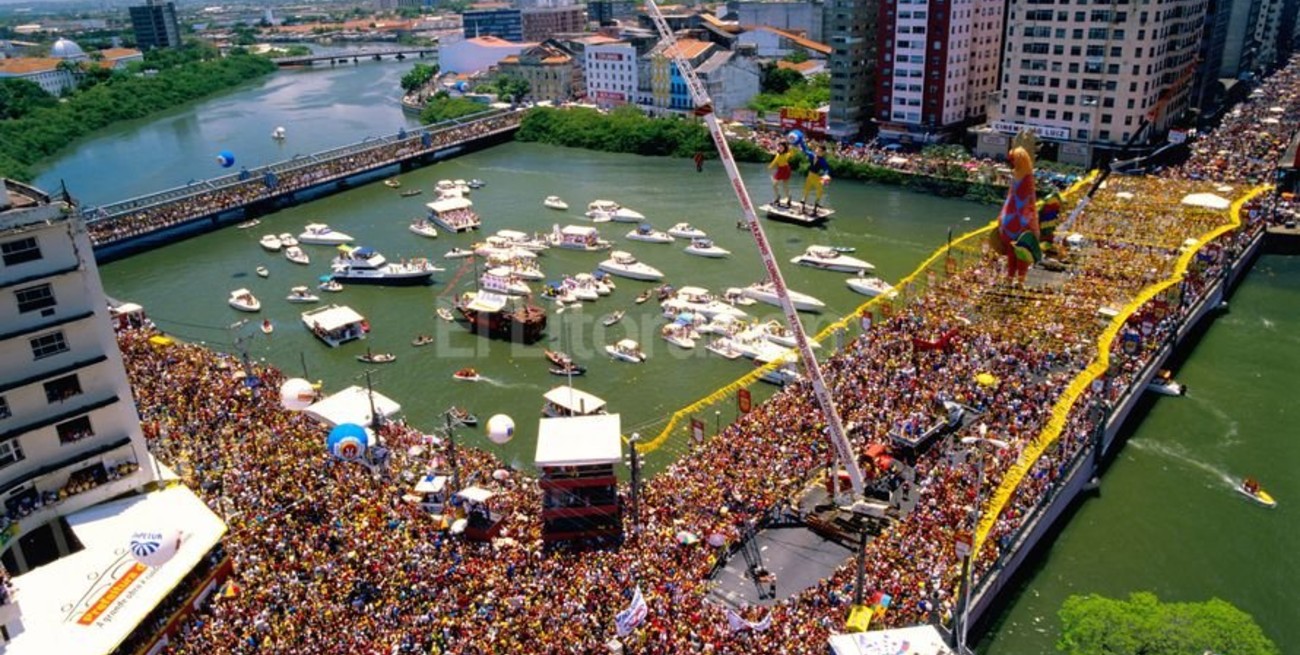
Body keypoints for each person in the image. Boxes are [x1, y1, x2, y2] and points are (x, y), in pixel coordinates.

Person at [799, 144, 831, 214]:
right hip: (810, 175)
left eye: (819, 151)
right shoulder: (811, 155)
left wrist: (826, 175)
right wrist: (800, 141)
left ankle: (816, 206)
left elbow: (826, 169)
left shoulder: (822, 161)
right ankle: (803, 205)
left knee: (820, 191)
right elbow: (805, 150)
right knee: (806, 190)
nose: (817, 151)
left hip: (816, 177)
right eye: (817, 149)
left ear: (823, 153)